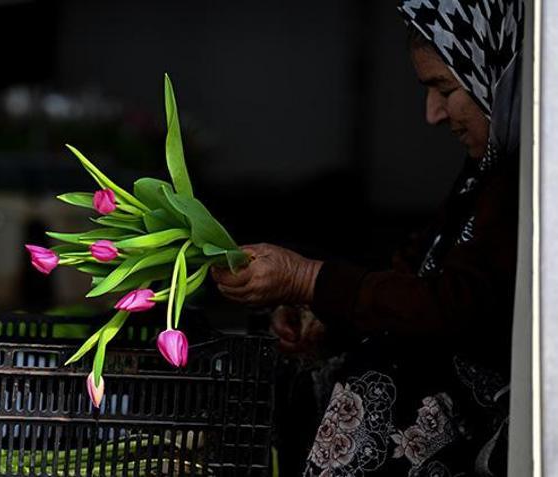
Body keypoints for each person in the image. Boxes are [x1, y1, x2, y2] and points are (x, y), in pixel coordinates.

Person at [212, 0, 523, 475]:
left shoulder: (528, 180)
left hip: (489, 418)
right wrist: (328, 313)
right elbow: (413, 270)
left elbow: (454, 307)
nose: (433, 114)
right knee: (303, 365)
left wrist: (307, 279)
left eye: (443, 88)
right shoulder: (481, 175)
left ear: (491, 74)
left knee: (384, 372)